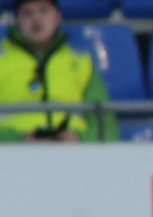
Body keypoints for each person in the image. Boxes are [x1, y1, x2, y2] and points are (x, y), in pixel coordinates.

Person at [0, 0, 118, 143]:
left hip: (74, 152)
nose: (36, 19)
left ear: (58, 17)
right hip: (10, 153)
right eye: (27, 13)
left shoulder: (81, 61)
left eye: (43, 10)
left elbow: (103, 120)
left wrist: (80, 138)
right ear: (17, 21)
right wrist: (16, 139)